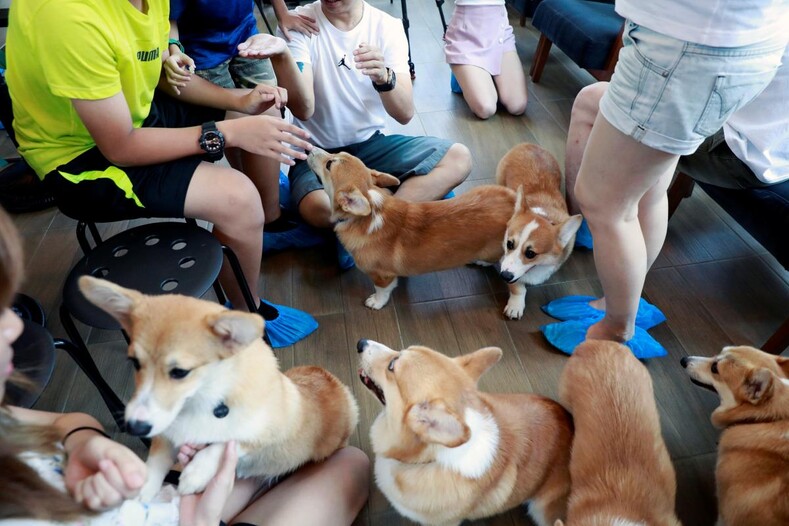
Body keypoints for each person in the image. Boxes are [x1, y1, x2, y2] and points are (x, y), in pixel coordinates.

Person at [0, 205, 371, 525]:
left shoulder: (7, 420)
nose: (18, 324)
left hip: (171, 500)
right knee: (351, 465)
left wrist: (80, 440)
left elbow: (65, 422)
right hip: (191, 513)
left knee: (311, 453)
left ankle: (253, 469)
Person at [5, 0, 318, 347]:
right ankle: (245, 312)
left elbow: (157, 74)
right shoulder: (68, 16)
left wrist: (238, 101)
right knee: (238, 198)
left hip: (130, 115)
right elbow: (120, 147)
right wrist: (226, 133)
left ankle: (268, 223)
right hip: (78, 160)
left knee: (264, 112)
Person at [539, 1, 788, 358]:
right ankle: (621, 302)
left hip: (689, 42)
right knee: (647, 190)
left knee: (606, 203)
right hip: (719, 40)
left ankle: (614, 328)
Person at [241, 0, 472, 269]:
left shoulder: (387, 27)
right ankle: (388, 216)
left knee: (459, 158)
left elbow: (405, 113)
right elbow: (304, 109)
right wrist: (281, 55)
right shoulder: (300, 23)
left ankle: (362, 229)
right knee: (323, 210)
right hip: (316, 155)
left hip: (371, 147)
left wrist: (385, 78)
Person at [164, 0, 325, 253]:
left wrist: (282, 14)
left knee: (270, 105)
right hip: (202, 54)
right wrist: (174, 48)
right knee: (242, 119)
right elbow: (170, 19)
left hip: (245, 36)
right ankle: (266, 215)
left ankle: (266, 201)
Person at [444, 0, 528, 119]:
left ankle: (480, 78)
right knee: (486, 108)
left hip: (499, 33)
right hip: (465, 35)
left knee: (517, 105)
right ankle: (465, 73)